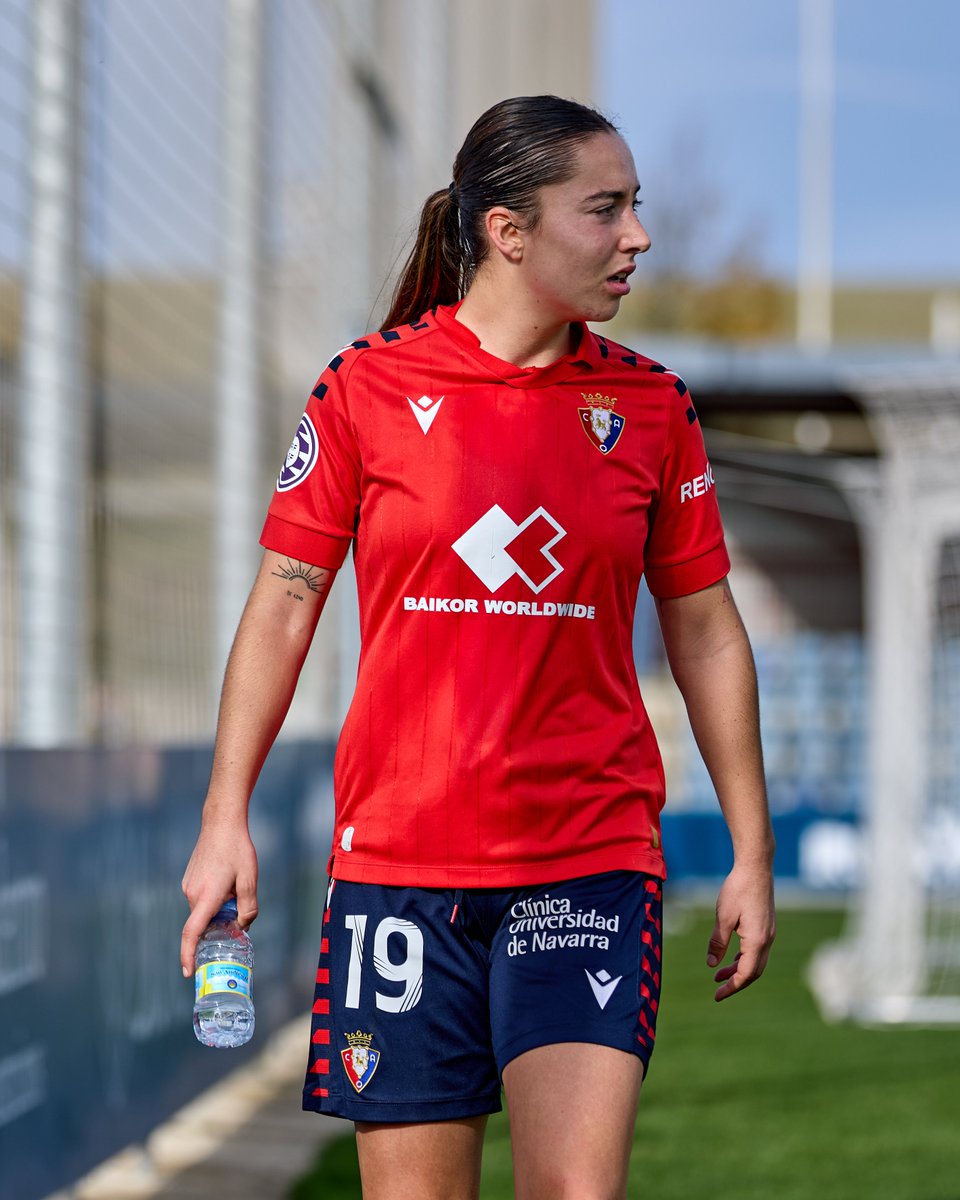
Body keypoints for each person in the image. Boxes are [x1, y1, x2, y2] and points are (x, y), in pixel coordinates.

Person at [180, 95, 775, 1200]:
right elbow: (284, 604)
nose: (637, 235)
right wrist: (226, 818)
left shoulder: (653, 407)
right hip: (397, 871)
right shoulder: (366, 386)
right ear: (509, 231)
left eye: (636, 206)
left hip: (589, 860)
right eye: (606, 210)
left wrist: (751, 844)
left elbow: (704, 626)